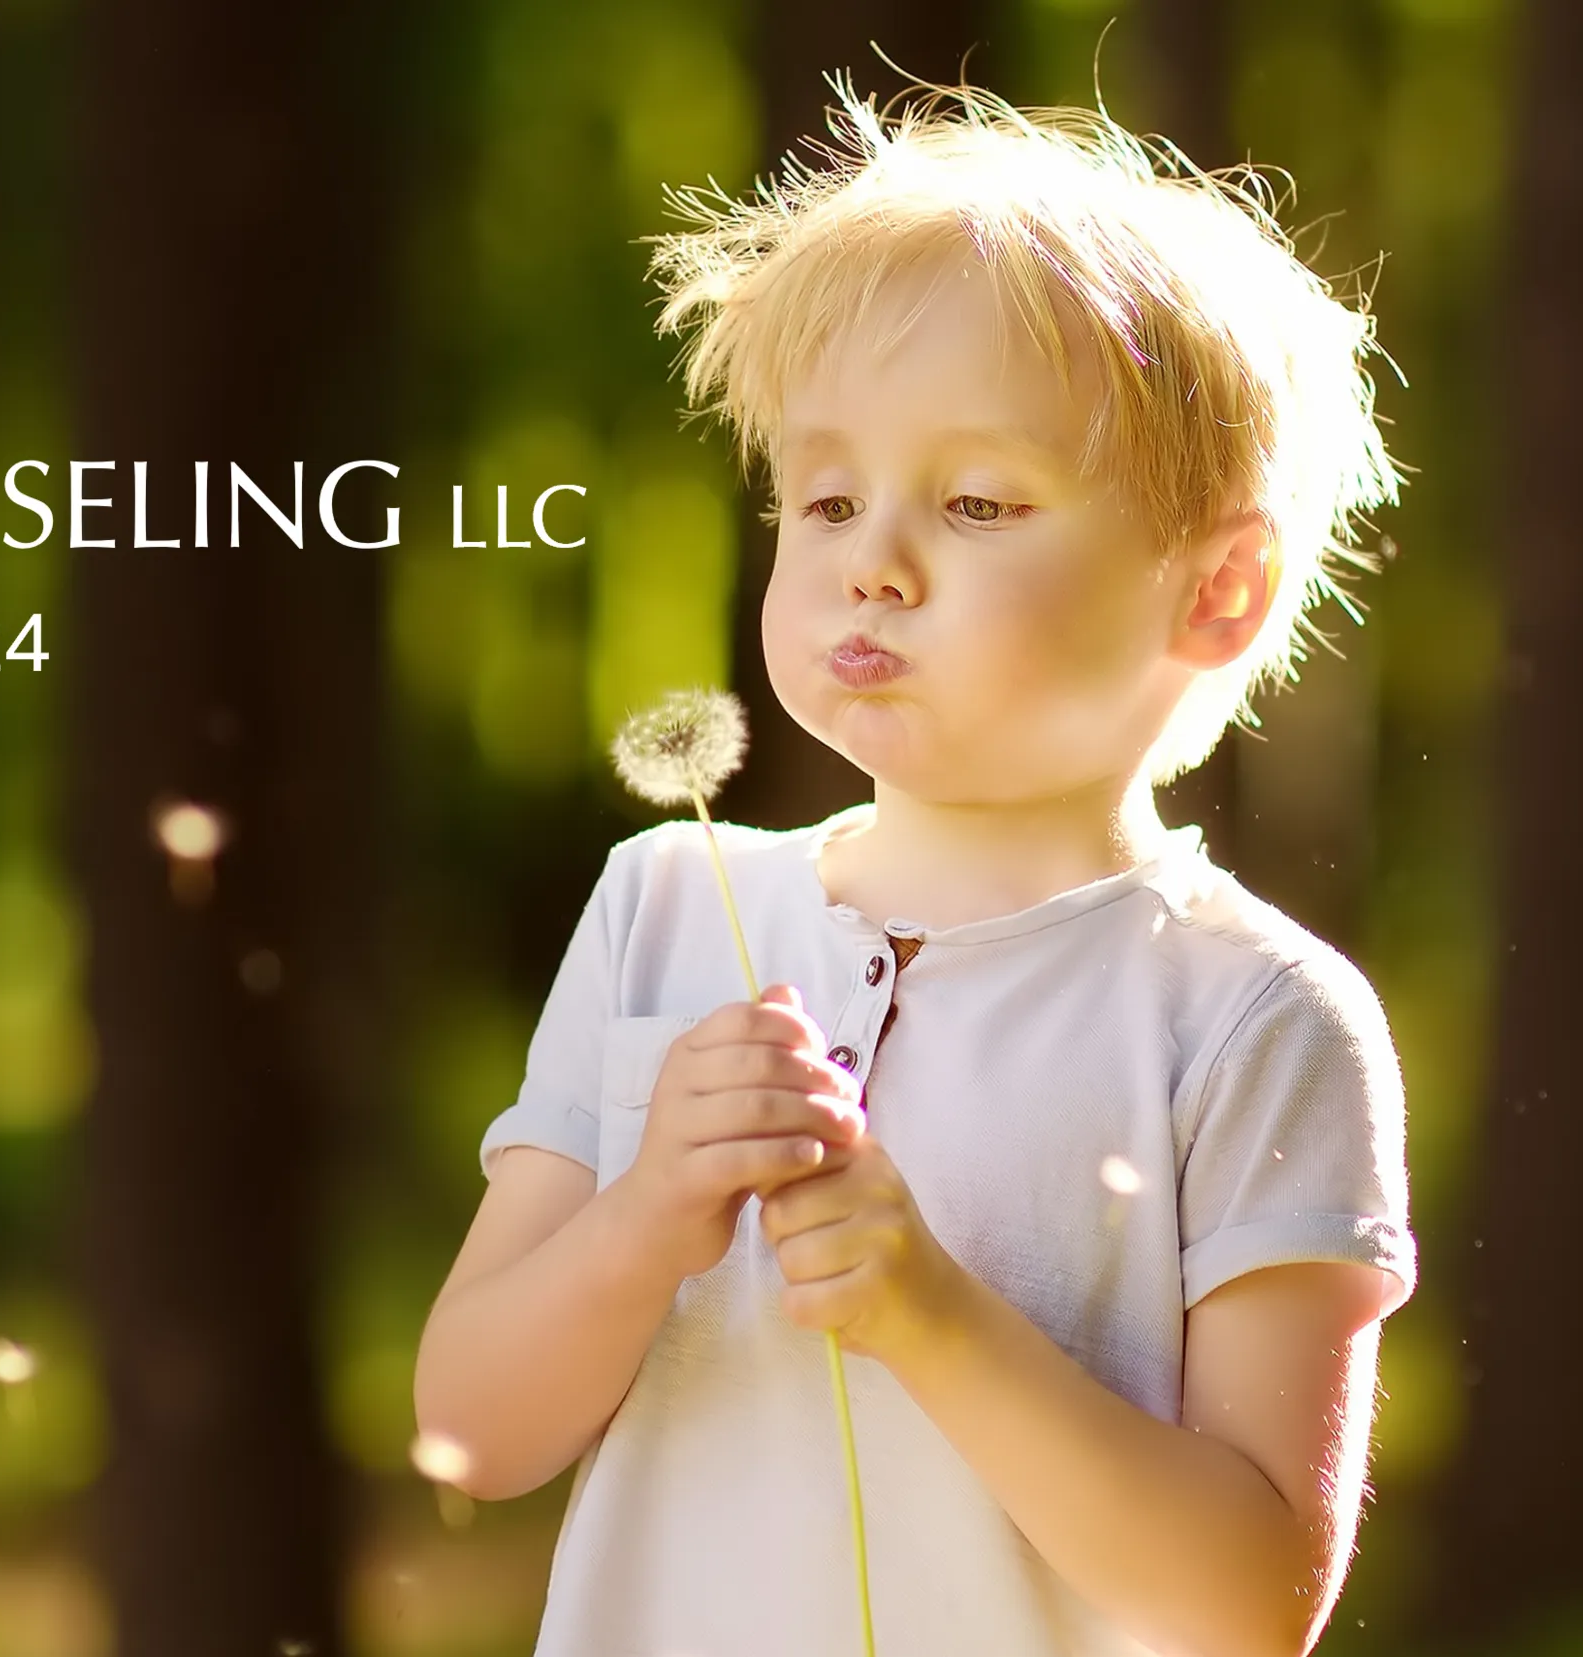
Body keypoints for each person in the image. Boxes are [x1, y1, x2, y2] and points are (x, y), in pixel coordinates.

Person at [414, 82, 1417, 1657]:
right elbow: (471, 1431)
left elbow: (1247, 1604)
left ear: (1218, 591)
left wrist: (933, 1322)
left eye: (977, 501)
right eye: (824, 498)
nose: (871, 555)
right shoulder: (668, 912)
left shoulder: (1256, 1017)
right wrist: (645, 1223)